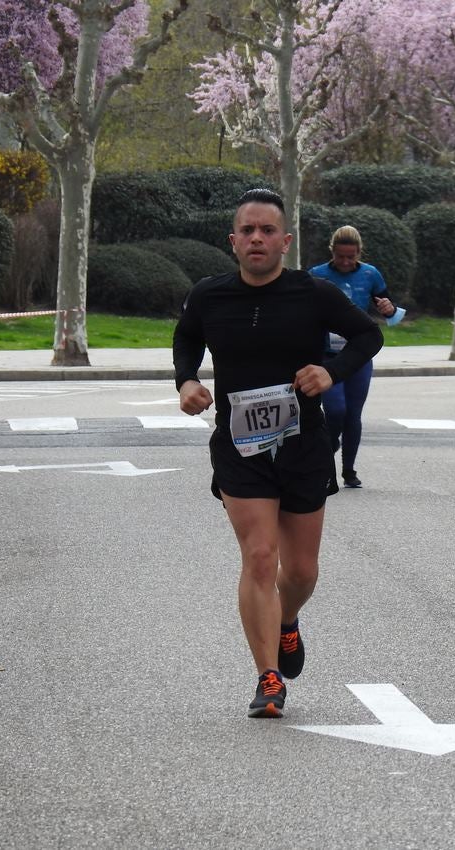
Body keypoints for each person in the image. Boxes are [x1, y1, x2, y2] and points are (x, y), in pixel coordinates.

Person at [173, 189, 383, 719]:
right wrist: (187, 382)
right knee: (260, 557)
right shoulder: (209, 295)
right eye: (247, 231)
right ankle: (268, 677)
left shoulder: (313, 293)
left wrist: (330, 371)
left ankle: (286, 620)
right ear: (233, 242)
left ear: (285, 241)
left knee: (303, 570)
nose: (257, 239)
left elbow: (367, 335)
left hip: (302, 445)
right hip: (239, 446)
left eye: (267, 231)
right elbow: (186, 338)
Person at [308, 226, 398, 489]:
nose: (346, 262)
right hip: (327, 355)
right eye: (340, 257)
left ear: (359, 252)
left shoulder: (370, 274)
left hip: (358, 355)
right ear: (332, 252)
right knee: (335, 410)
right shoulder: (317, 275)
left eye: (351, 257)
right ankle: (329, 446)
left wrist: (388, 308)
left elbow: (390, 306)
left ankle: (348, 469)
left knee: (353, 414)